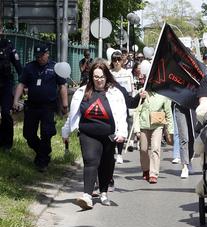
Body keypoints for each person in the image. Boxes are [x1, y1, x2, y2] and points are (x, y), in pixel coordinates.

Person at [61, 59, 128, 209]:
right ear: (91, 77)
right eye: (96, 77)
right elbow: (73, 115)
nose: (99, 80)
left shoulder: (115, 93)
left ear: (107, 77)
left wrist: (122, 133)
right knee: (90, 160)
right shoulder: (81, 92)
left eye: (102, 77)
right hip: (88, 133)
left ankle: (103, 192)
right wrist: (65, 131)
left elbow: (122, 115)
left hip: (109, 135)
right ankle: (87, 196)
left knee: (106, 164)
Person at [13, 44, 68, 172]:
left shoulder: (55, 67)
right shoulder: (29, 67)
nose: (39, 58)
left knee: (46, 133)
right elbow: (21, 84)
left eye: (42, 55)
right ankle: (43, 151)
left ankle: (42, 161)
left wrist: (65, 105)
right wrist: (15, 100)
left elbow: (63, 86)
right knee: (28, 134)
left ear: (47, 54)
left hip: (48, 106)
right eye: (37, 56)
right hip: (32, 106)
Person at [134, 91, 173, 183]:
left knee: (155, 148)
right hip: (144, 126)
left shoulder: (163, 95)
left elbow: (168, 113)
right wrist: (137, 129)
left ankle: (153, 174)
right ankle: (146, 170)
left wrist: (170, 131)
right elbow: (136, 112)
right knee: (143, 149)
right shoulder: (142, 92)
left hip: (157, 126)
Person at [110, 50, 134, 164]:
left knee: (121, 127)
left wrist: (131, 103)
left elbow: (131, 90)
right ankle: (112, 149)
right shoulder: (110, 73)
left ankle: (119, 153)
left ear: (122, 61)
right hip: (112, 103)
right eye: (114, 60)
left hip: (123, 103)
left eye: (119, 60)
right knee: (112, 127)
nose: (117, 62)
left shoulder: (127, 73)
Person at [0, 38, 22, 150]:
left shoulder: (7, 45)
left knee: (5, 113)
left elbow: (17, 64)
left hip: (5, 84)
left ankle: (7, 143)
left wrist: (23, 80)